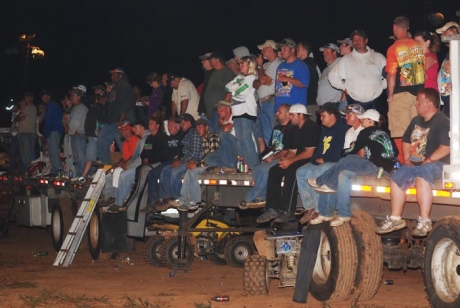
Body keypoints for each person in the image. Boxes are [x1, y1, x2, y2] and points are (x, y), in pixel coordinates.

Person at [376, 88, 450, 237]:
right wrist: (407, 158)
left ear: (429, 104)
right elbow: (405, 140)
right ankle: (396, 218)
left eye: (419, 101)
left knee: (422, 174)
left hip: (437, 164)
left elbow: (446, 147)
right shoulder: (416, 120)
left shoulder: (441, 120)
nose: (415, 104)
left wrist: (429, 160)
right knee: (397, 177)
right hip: (416, 164)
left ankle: (424, 221)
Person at [309, 109, 396, 226]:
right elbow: (395, 151)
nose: (361, 120)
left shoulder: (367, 132)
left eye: (364, 119)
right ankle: (342, 214)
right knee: (343, 174)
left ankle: (321, 181)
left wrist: (345, 152)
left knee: (347, 160)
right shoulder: (384, 133)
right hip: (384, 170)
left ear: (370, 122)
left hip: (373, 167)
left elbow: (351, 151)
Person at [256, 104, 320, 224]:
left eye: (292, 115)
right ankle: (272, 208)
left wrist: (290, 161)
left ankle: (288, 211)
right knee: (275, 171)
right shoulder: (293, 129)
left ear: (301, 115)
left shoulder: (311, 128)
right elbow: (292, 151)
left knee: (292, 173)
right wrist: (285, 161)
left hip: (310, 159)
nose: (290, 117)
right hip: (298, 158)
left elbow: (309, 152)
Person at [295, 102, 348, 219]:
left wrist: (324, 159)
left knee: (316, 172)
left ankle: (320, 210)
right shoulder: (325, 130)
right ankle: (310, 207)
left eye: (323, 115)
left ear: (332, 115)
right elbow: (318, 150)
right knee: (301, 171)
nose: (320, 118)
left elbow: (340, 151)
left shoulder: (342, 128)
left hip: (336, 162)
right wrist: (315, 159)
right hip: (323, 161)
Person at [386, 16, 425, 162]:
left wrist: (390, 96)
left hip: (401, 94)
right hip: (418, 95)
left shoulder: (394, 47)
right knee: (416, 130)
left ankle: (404, 162)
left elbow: (391, 74)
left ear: (395, 28)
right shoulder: (418, 46)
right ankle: (417, 160)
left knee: (399, 130)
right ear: (407, 27)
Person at [239, 104, 292, 208]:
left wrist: (272, 158)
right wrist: (265, 157)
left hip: (283, 158)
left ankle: (249, 198)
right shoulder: (276, 128)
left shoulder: (291, 129)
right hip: (273, 156)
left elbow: (286, 151)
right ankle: (262, 197)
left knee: (265, 170)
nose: (277, 114)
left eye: (279, 112)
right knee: (257, 169)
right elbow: (272, 147)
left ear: (287, 114)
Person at [165, 118, 220, 211]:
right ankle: (187, 201)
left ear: (206, 127)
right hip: (206, 164)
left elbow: (213, 158)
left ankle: (192, 201)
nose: (198, 129)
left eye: (200, 127)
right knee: (190, 171)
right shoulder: (203, 139)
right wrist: (194, 162)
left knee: (193, 171)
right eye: (197, 127)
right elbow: (204, 157)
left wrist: (197, 164)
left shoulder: (213, 136)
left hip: (215, 165)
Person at [328, 29, 387, 110]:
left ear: (366, 40)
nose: (356, 41)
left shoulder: (378, 57)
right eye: (354, 40)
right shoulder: (346, 59)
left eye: (359, 39)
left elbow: (390, 74)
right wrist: (344, 88)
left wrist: (383, 86)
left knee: (374, 123)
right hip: (354, 101)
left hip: (376, 101)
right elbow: (332, 76)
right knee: (354, 122)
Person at [106, 120, 150, 213]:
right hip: (136, 164)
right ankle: (113, 197)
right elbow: (131, 157)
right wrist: (121, 165)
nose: (134, 129)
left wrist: (127, 165)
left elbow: (140, 158)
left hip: (142, 166)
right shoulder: (137, 141)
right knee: (114, 173)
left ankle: (120, 202)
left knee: (122, 175)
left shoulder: (141, 140)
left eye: (135, 127)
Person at [225, 56, 259, 169]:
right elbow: (227, 87)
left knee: (246, 138)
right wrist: (235, 88)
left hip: (247, 112)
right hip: (236, 112)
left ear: (250, 66)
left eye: (242, 64)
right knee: (239, 140)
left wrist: (234, 90)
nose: (240, 66)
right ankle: (244, 165)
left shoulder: (252, 78)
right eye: (239, 64)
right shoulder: (239, 77)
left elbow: (241, 92)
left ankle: (253, 165)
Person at [158, 114, 202, 201]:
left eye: (182, 122)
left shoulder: (194, 133)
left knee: (175, 172)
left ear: (189, 122)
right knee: (165, 171)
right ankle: (166, 198)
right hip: (185, 160)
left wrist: (180, 161)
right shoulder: (186, 134)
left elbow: (194, 154)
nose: (181, 125)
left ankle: (177, 199)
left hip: (192, 161)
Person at [98, 67, 136, 164]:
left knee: (124, 145)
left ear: (120, 75)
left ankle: (128, 167)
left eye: (114, 75)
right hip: (110, 121)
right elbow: (110, 100)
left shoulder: (124, 86)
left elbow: (125, 103)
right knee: (102, 139)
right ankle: (106, 166)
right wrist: (105, 99)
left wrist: (122, 119)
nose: (111, 77)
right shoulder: (116, 87)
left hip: (120, 121)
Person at [148, 117, 185, 207]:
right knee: (152, 174)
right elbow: (150, 151)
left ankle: (162, 199)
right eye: (168, 126)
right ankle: (154, 201)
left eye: (170, 126)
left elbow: (183, 152)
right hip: (165, 161)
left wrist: (178, 159)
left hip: (176, 161)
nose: (168, 128)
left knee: (158, 173)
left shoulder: (182, 137)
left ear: (177, 127)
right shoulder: (150, 138)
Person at [254, 40, 282, 148]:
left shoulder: (277, 63)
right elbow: (255, 83)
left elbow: (264, 78)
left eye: (263, 48)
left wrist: (260, 67)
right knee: (266, 132)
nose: (261, 51)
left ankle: (277, 154)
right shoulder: (266, 65)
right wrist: (261, 80)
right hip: (263, 102)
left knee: (274, 129)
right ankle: (271, 155)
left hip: (271, 100)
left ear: (270, 48)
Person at [275, 38, 310, 110]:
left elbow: (304, 83)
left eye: (285, 48)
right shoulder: (280, 66)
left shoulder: (301, 65)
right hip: (280, 108)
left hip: (294, 108)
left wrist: (287, 78)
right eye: (281, 49)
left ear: (293, 50)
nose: (282, 51)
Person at [204, 51, 235, 132]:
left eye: (210, 59)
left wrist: (222, 107)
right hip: (211, 111)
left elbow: (231, 91)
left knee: (221, 135)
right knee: (214, 136)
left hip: (219, 111)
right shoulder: (214, 73)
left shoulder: (227, 72)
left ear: (217, 59)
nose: (209, 61)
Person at [79, 93, 105, 182]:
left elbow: (100, 122)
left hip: (94, 136)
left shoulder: (99, 109)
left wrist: (97, 133)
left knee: (90, 157)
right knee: (93, 158)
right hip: (91, 135)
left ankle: (83, 176)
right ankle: (90, 175)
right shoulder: (93, 108)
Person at [436, 21, 460, 117]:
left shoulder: (457, 53)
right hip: (447, 99)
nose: (443, 35)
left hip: (456, 99)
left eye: (446, 32)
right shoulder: (448, 56)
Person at [203, 101, 237, 168]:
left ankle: (228, 166)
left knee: (223, 135)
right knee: (207, 159)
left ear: (228, 109)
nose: (218, 112)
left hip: (236, 148)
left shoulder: (234, 117)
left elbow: (226, 129)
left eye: (221, 109)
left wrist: (220, 124)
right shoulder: (223, 121)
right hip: (226, 151)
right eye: (218, 110)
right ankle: (229, 165)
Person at [41, 90, 64, 176]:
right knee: (51, 151)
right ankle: (54, 170)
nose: (43, 98)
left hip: (54, 131)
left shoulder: (52, 106)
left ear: (49, 96)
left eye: (44, 96)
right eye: (42, 96)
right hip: (52, 131)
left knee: (54, 151)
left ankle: (58, 171)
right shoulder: (49, 106)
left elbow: (49, 122)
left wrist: (45, 134)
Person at [296, 41, 320, 118]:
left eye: (298, 49)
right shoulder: (307, 63)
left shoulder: (307, 64)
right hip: (308, 102)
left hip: (309, 102)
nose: (296, 50)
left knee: (308, 127)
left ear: (305, 51)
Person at [68, 87, 89, 177]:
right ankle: (79, 177)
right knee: (76, 158)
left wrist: (69, 130)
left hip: (79, 136)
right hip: (75, 135)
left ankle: (82, 177)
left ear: (79, 97)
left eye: (73, 96)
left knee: (80, 158)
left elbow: (73, 124)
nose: (71, 98)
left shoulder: (82, 108)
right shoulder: (75, 108)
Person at [316, 44, 343, 109]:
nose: (323, 54)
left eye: (326, 51)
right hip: (323, 107)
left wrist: (342, 100)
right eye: (323, 52)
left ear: (334, 53)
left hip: (333, 106)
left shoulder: (341, 64)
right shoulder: (325, 70)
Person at [17, 92, 37, 173]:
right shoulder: (26, 108)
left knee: (28, 154)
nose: (25, 98)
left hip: (28, 133)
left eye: (27, 97)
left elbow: (20, 115)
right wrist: (20, 116)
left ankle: (31, 171)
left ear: (31, 98)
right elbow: (18, 118)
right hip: (22, 132)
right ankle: (27, 171)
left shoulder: (31, 107)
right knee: (23, 154)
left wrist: (21, 110)